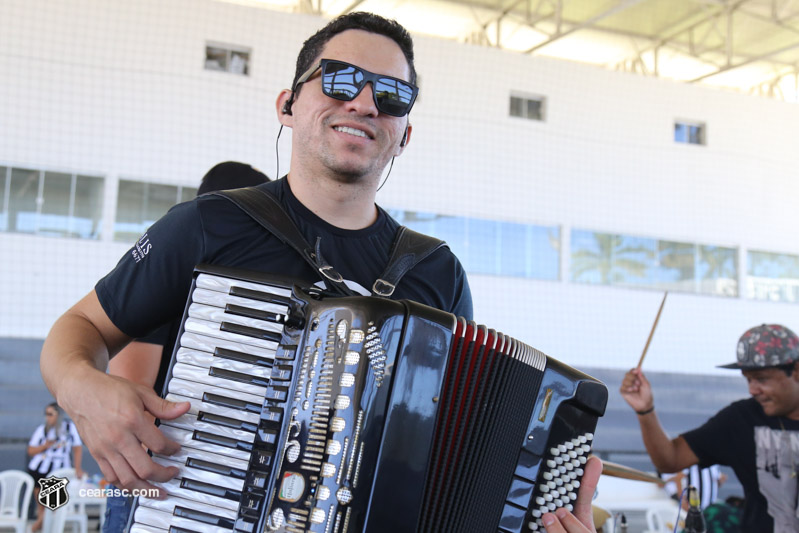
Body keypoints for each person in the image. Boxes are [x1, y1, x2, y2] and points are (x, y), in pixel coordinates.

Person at [40, 11, 471, 498]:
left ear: (405, 136)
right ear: (288, 105)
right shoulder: (206, 226)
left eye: (392, 95)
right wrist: (81, 390)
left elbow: (455, 446)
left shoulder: (439, 273)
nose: (365, 103)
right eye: (340, 79)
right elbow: (81, 328)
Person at [100, 161, 270, 533]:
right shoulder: (172, 279)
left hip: (205, 481)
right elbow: (133, 394)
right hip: (154, 483)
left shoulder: (238, 291)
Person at [620, 323, 799, 533]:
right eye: (748, 379)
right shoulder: (740, 419)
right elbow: (670, 459)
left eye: (761, 379)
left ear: (796, 371)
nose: (752, 389)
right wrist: (645, 411)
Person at [27, 402, 83, 531]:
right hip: (39, 470)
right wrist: (44, 446)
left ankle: (33, 529)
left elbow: (77, 448)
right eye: (46, 414)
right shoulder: (42, 430)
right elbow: (30, 450)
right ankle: (44, 529)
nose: (48, 417)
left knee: (52, 505)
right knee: (41, 507)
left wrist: (78, 468)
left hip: (59, 471)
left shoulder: (69, 428)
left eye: (51, 414)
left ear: (58, 415)